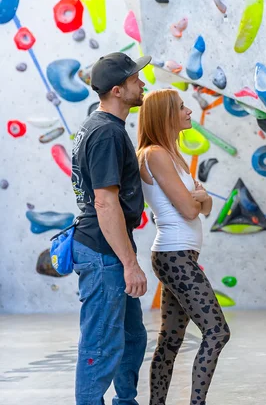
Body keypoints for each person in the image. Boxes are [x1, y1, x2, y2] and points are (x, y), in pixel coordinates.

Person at [137, 89, 227, 405]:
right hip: (174, 255)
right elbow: (192, 209)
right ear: (165, 116)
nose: (189, 111)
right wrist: (199, 199)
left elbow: (205, 205)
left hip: (180, 254)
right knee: (217, 332)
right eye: (181, 107)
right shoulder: (155, 155)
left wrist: (200, 200)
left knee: (170, 340)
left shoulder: (171, 154)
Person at [71, 52, 150, 405]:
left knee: (132, 338)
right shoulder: (106, 134)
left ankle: (125, 401)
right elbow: (104, 203)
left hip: (106, 248)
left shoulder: (99, 126)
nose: (142, 83)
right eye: (135, 79)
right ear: (118, 91)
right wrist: (130, 263)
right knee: (100, 346)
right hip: (104, 252)